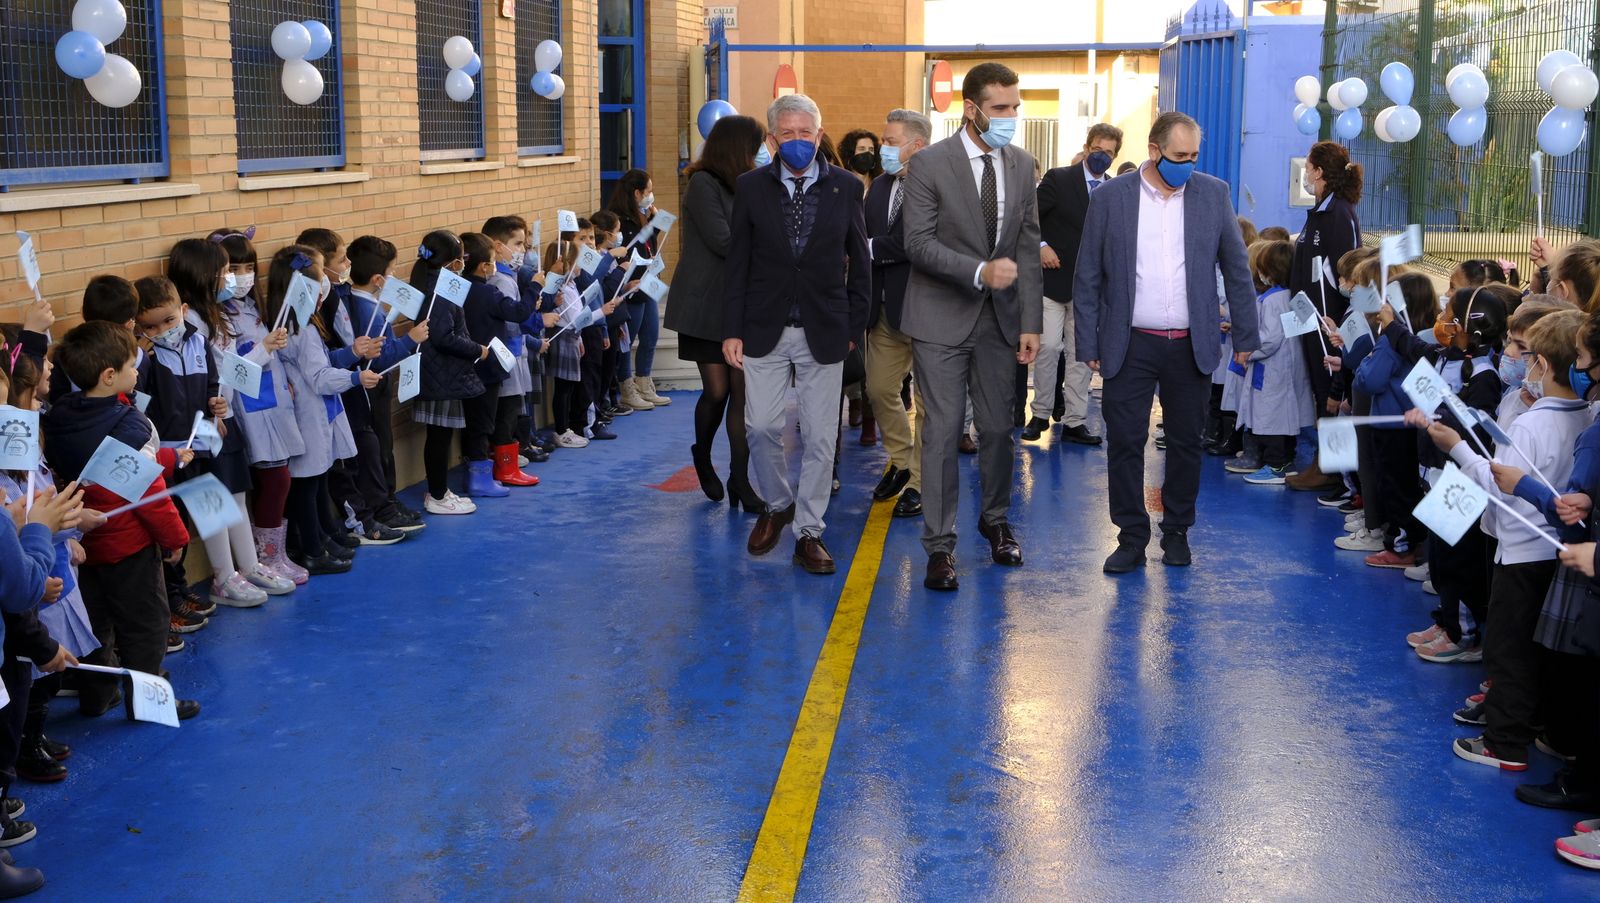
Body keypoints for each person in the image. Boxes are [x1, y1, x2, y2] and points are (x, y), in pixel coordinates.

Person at [1074, 111, 1258, 574]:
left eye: (1194, 156)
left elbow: (1237, 269)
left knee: (1185, 443)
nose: (1188, 165)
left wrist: (1245, 334)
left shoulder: (1212, 195)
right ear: (1154, 150)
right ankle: (1131, 537)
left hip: (1190, 346)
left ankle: (1176, 531)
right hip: (1129, 344)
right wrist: (1087, 340)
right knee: (1126, 443)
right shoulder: (1112, 198)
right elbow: (1088, 274)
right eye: (1180, 156)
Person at [899, 61, 1043, 591]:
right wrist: (978, 271)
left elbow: (1027, 247)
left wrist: (1031, 319)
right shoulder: (930, 165)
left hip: (1000, 323)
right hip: (939, 317)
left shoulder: (1023, 164)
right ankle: (939, 546)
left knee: (1000, 428)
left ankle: (995, 518)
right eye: (1001, 109)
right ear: (972, 109)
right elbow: (917, 243)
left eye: (1015, 107)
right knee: (939, 432)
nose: (1010, 117)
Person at [722, 93, 870, 575]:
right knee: (760, 427)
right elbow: (737, 261)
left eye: (806, 132)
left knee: (821, 436)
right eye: (788, 133)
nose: (798, 140)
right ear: (772, 139)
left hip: (824, 329)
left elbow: (860, 262)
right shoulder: (750, 187)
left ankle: (809, 531)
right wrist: (731, 329)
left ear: (820, 136)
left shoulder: (846, 187)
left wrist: (854, 326)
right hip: (763, 328)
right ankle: (776, 504)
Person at [43, 321, 199, 720]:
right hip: (129, 544)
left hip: (83, 544)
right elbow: (146, 493)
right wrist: (175, 538)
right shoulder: (130, 425)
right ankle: (148, 702)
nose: (137, 370)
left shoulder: (58, 418)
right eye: (132, 366)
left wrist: (162, 459)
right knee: (146, 626)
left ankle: (97, 697)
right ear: (110, 376)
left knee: (96, 626)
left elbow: (110, 473)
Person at [664, 114, 768, 512]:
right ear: (738, 146)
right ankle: (702, 454)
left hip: (744, 303)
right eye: (756, 144)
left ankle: (740, 481)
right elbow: (725, 241)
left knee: (744, 395)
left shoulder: (754, 182)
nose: (762, 152)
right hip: (707, 305)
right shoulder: (702, 183)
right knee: (718, 391)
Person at [1026, 122, 1123, 445]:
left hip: (1090, 290)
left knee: (1082, 356)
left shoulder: (1113, 190)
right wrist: (1041, 247)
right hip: (1052, 283)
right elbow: (1028, 219)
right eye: (1097, 150)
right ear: (1087, 147)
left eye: (1108, 153)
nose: (1102, 157)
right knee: (1049, 347)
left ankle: (1074, 421)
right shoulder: (1058, 179)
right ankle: (1040, 413)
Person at [863, 109, 932, 519]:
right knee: (878, 389)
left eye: (890, 142)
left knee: (927, 404)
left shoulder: (938, 184)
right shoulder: (879, 186)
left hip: (927, 309)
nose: (883, 149)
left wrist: (867, 250)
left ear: (916, 145)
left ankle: (921, 482)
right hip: (884, 307)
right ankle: (902, 459)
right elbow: (865, 230)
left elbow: (912, 243)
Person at [1286, 141, 1364, 493]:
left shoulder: (1338, 214)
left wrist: (1339, 320)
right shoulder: (1321, 210)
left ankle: (1332, 469)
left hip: (1327, 320)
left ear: (1318, 171)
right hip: (1308, 317)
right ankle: (1327, 463)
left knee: (1330, 389)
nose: (1305, 172)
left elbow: (1347, 272)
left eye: (1309, 166)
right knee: (1319, 389)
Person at [607, 169, 671, 409]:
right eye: (649, 191)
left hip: (649, 284)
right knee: (628, 339)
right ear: (636, 193)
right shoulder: (620, 221)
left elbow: (650, 239)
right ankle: (626, 386)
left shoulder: (643, 214)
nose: (651, 196)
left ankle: (644, 382)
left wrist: (656, 218)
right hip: (630, 288)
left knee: (650, 335)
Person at [839, 128, 883, 195]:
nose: (867, 153)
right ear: (850, 153)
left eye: (871, 149)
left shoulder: (880, 186)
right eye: (862, 149)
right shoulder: (840, 185)